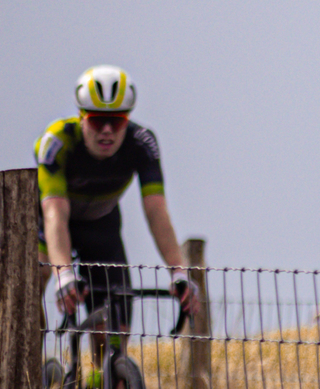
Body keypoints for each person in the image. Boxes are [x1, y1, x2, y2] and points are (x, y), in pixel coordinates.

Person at [35, 67, 201, 352]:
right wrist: (62, 273)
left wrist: (178, 272)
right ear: (82, 117)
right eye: (98, 121)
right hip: (47, 226)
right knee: (28, 290)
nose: (108, 131)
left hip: (102, 227)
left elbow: (157, 212)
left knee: (114, 339)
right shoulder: (58, 142)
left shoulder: (142, 144)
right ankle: (28, 371)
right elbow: (55, 215)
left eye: (117, 120)